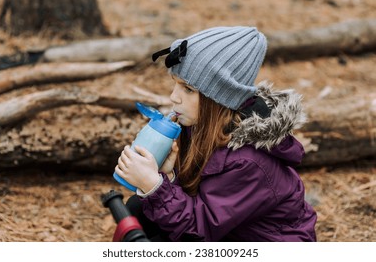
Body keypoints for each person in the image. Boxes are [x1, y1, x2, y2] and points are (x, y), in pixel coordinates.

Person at [114, 26, 317, 242]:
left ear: (219, 98)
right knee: (139, 210)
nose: (174, 97)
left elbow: (198, 232)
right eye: (175, 85)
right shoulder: (203, 125)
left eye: (188, 89)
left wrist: (154, 187)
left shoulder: (250, 162)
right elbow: (199, 203)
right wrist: (169, 176)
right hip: (227, 234)